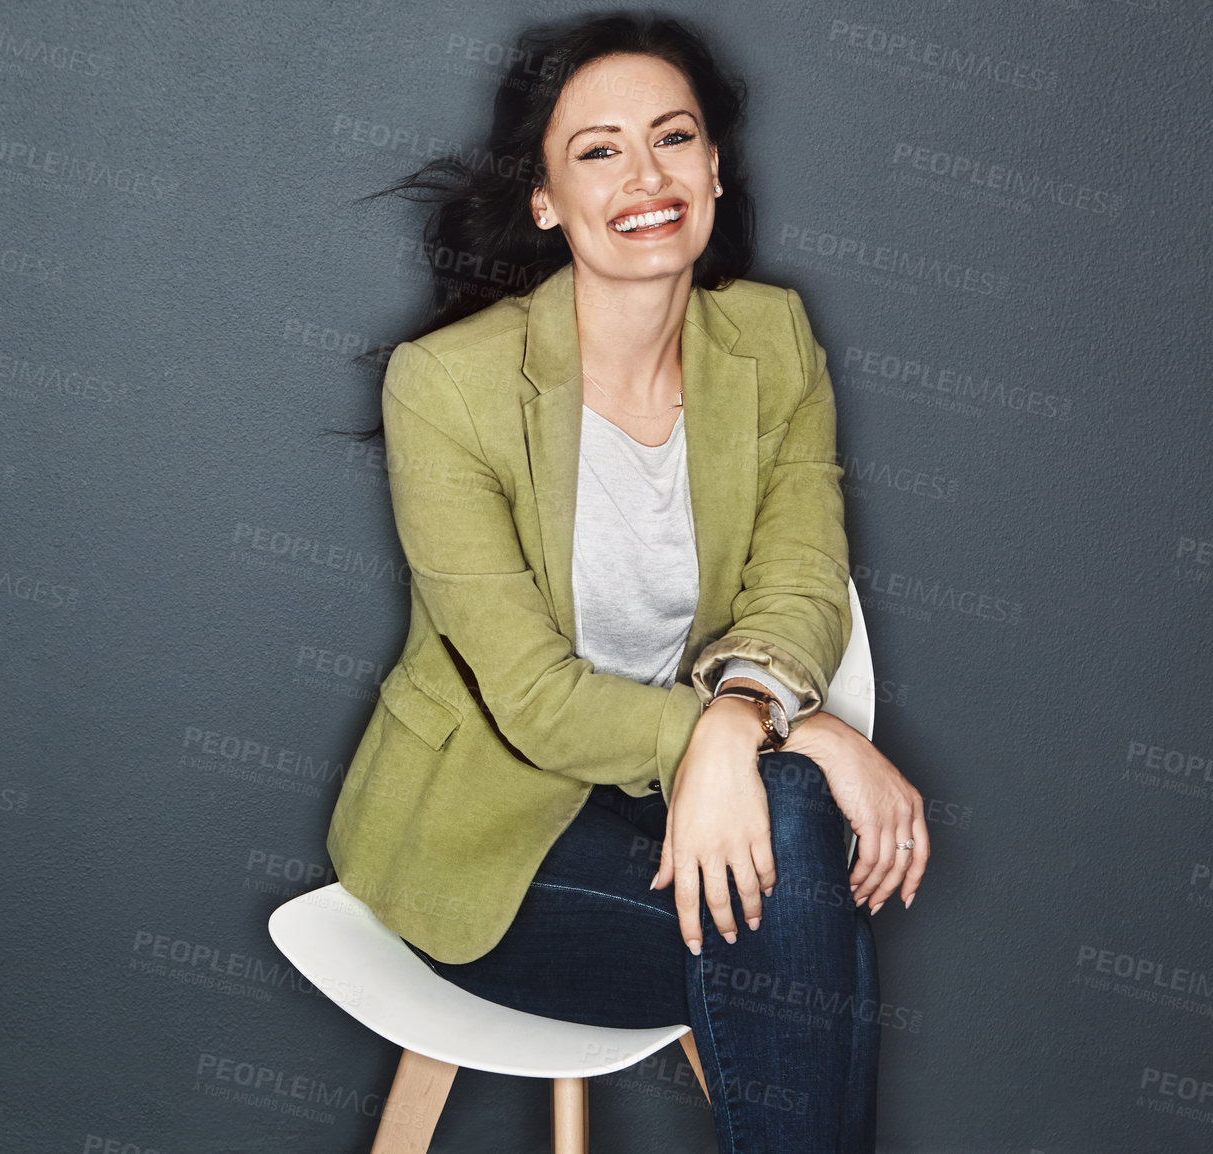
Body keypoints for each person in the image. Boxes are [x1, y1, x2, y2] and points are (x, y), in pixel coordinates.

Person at [324, 12, 931, 1152]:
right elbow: (531, 693)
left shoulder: (773, 341)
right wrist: (785, 736)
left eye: (672, 137)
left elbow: (801, 580)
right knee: (794, 905)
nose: (644, 175)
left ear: (711, 167)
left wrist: (744, 722)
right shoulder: (445, 386)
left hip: (687, 809)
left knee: (783, 848)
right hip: (489, 840)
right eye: (598, 150)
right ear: (545, 196)